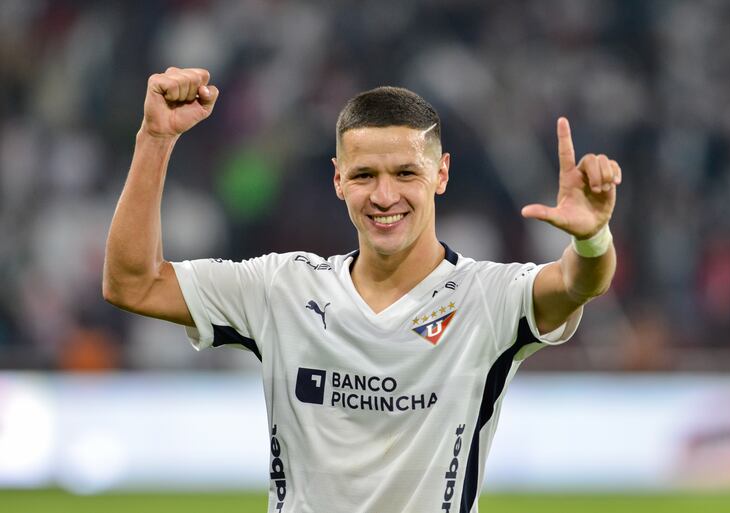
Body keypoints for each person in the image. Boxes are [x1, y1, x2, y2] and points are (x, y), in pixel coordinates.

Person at [103, 67, 621, 513]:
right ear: (337, 179)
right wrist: (155, 138)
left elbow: (578, 282)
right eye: (365, 174)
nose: (384, 195)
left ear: (441, 174)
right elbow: (133, 283)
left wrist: (593, 238)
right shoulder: (282, 288)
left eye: (405, 173)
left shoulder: (488, 296)